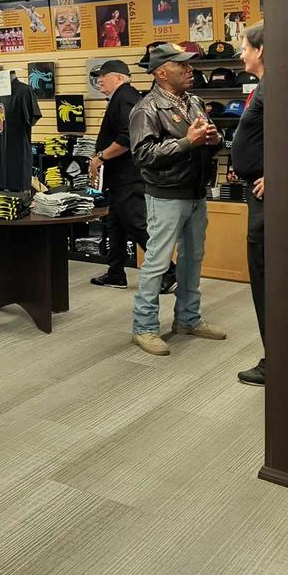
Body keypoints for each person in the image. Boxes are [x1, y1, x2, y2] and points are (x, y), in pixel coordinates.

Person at [127, 43, 227, 356]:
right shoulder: (146, 109)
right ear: (161, 73)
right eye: (181, 65)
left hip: (196, 192)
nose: (189, 69)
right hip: (166, 196)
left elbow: (206, 141)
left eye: (188, 64)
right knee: (157, 263)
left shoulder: (193, 101)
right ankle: (143, 327)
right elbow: (143, 155)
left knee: (192, 259)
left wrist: (215, 140)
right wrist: (186, 142)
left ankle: (188, 319)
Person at [87, 61, 177, 294]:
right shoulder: (121, 97)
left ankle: (169, 271)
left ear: (119, 77)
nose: (99, 80)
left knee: (137, 225)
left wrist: (101, 157)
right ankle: (116, 273)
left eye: (103, 76)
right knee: (115, 224)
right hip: (119, 177)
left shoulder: (125, 98)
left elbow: (129, 137)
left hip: (128, 176)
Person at [231, 23, 266, 386]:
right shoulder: (266, 86)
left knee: (265, 276)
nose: (241, 54)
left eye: (244, 47)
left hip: (266, 197)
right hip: (257, 192)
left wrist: (277, 173)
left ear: (261, 50)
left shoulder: (274, 86)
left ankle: (276, 361)